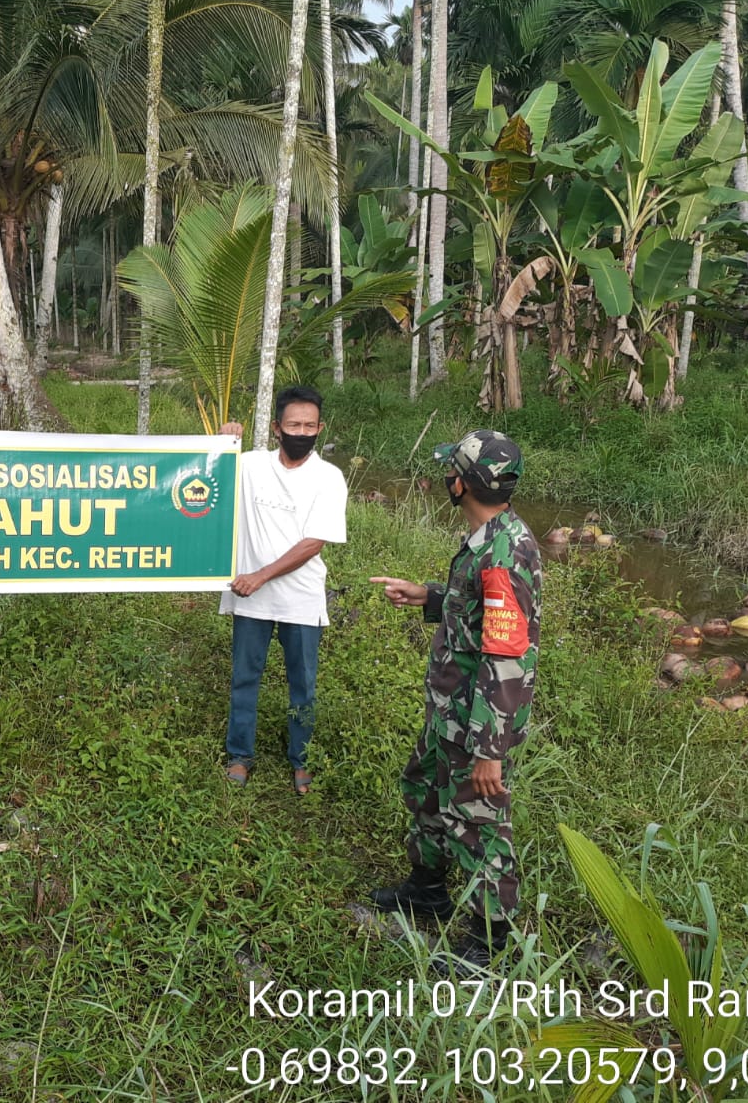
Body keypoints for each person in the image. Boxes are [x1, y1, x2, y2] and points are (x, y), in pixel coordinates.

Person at [367, 430, 541, 972]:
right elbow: (477, 613)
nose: (446, 478)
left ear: (462, 483)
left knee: (480, 825)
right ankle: (427, 890)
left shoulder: (503, 553)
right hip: (450, 710)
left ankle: (489, 946)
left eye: (451, 472)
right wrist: (429, 596)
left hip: (475, 720)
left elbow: (508, 653)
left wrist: (490, 749)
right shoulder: (487, 538)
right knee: (425, 791)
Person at [218, 386, 348, 795]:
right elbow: (207, 477)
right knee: (244, 678)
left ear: (320, 429)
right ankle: (240, 755)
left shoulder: (329, 477)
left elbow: (314, 543)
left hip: (301, 599)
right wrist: (221, 443)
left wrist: (260, 575)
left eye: (310, 425)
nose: (302, 431)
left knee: (303, 685)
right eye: (294, 424)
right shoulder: (251, 466)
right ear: (277, 428)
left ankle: (301, 759)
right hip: (249, 598)